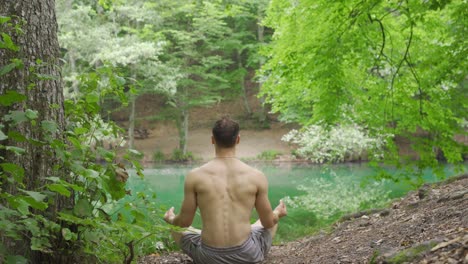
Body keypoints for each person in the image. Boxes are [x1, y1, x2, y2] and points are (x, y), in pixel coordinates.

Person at [164, 116, 287, 264]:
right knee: (271, 218)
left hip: (209, 257)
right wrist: (278, 213)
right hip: (247, 255)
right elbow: (268, 223)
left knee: (175, 227)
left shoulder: (195, 176)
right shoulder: (256, 176)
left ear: (212, 140)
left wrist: (170, 218)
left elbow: (183, 222)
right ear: (238, 139)